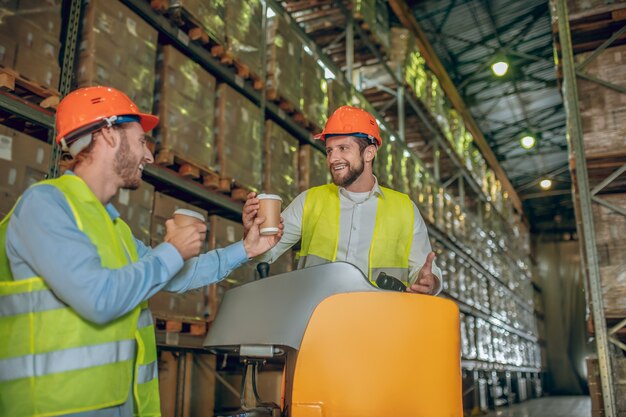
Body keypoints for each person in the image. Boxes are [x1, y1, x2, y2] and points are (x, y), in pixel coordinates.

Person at [0, 86, 281, 417]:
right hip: (52, 409)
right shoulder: (45, 205)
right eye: (140, 141)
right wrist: (172, 249)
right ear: (107, 135)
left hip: (116, 405)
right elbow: (98, 299)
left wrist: (247, 248)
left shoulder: (113, 228)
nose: (148, 156)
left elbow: (177, 275)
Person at [243, 105, 442, 295]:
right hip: (319, 321)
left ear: (369, 153)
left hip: (380, 322)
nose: (332, 158)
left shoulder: (404, 209)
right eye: (330, 150)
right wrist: (255, 238)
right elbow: (266, 254)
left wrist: (431, 282)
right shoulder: (309, 201)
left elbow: (423, 272)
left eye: (343, 148)